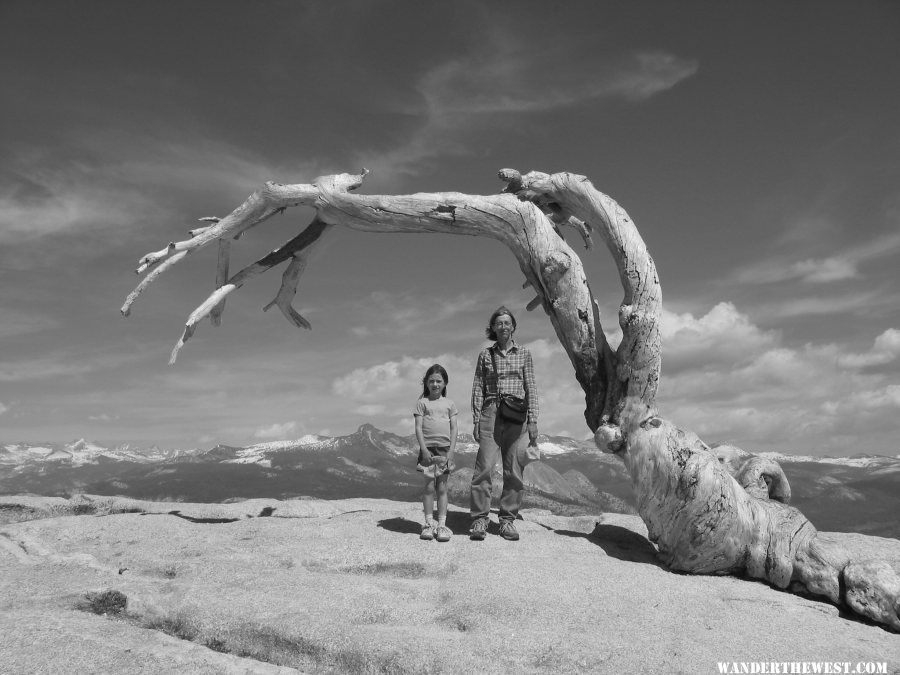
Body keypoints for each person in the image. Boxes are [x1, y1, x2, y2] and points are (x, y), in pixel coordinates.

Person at [469, 306, 539, 541]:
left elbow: (531, 387)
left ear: (513, 326)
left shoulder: (524, 353)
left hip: (516, 415)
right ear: (493, 328)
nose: (503, 326)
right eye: (499, 323)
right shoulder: (485, 355)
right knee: (484, 468)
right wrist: (477, 419)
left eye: (507, 322)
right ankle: (480, 518)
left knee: (514, 470)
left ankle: (507, 520)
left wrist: (533, 420)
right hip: (490, 412)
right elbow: (478, 387)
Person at [414, 363, 458, 542]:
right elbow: (418, 428)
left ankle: (441, 525)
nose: (435, 384)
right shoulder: (422, 403)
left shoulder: (450, 404)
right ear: (425, 383)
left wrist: (451, 451)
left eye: (439, 381)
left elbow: (454, 428)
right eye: (431, 381)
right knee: (428, 487)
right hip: (428, 449)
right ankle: (427, 524)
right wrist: (423, 449)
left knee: (442, 487)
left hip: (444, 448)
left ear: (445, 383)